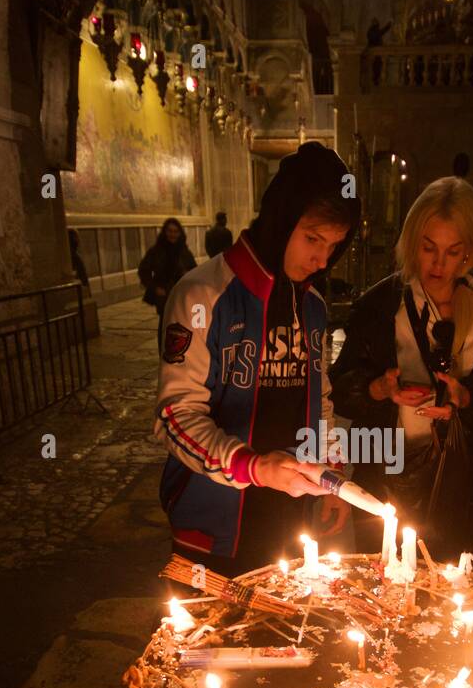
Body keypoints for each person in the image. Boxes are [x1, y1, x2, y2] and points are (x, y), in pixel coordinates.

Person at [153, 142, 361, 574]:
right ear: (281, 218)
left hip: (288, 524)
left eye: (335, 245)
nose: (322, 259)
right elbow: (175, 416)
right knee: (209, 641)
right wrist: (253, 466)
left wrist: (334, 481)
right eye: (312, 239)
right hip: (212, 524)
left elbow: (319, 401)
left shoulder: (313, 308)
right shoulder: (202, 296)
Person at [329, 176, 473, 561]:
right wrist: (380, 389)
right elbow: (340, 389)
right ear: (411, 244)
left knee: (443, 598)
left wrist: (466, 398)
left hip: (454, 482)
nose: (438, 264)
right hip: (385, 476)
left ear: (470, 251)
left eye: (453, 252)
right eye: (428, 248)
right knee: (382, 591)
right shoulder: (381, 305)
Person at [138, 218, 196, 351]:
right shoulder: (156, 250)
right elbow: (143, 270)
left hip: (181, 296)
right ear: (165, 232)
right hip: (164, 296)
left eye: (176, 231)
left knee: (181, 326)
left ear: (180, 233)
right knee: (165, 326)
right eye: (170, 231)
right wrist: (154, 288)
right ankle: (164, 353)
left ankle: (179, 353)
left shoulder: (184, 251)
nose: (173, 234)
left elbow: (194, 270)